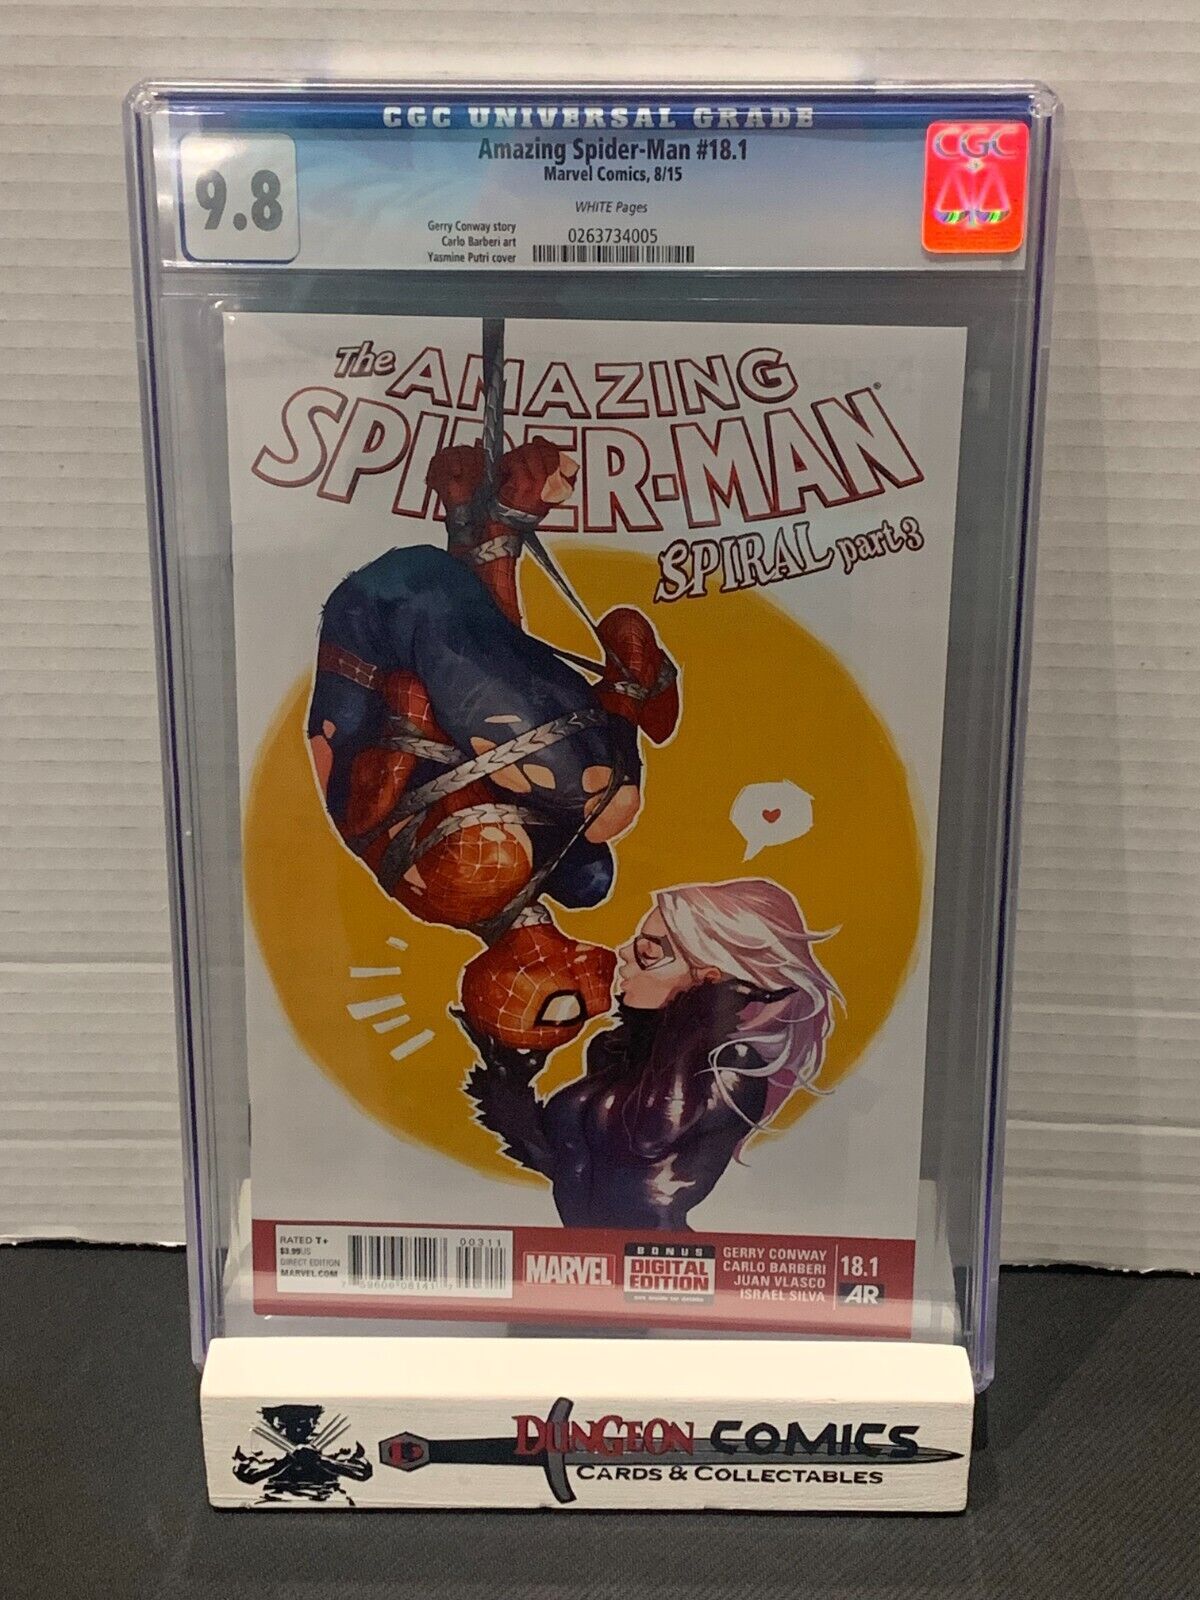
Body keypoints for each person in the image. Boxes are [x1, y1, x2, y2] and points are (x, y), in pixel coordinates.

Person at [462, 879, 842, 1230]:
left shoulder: (734, 1063)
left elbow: (650, 1136)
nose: (623, 953)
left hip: (662, 1256)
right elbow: (569, 1162)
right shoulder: (619, 1051)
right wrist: (507, 1081)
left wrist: (702, 1013)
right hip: (589, 1260)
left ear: (708, 978)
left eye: (648, 951)